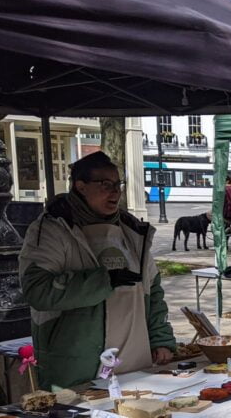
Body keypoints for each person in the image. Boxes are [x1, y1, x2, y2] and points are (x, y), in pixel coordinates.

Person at [19, 151, 175, 388]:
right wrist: (104, 281)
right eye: (105, 184)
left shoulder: (132, 232)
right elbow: (37, 290)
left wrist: (160, 338)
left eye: (117, 184)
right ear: (81, 187)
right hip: (79, 366)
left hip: (135, 361)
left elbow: (153, 290)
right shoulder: (52, 229)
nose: (115, 191)